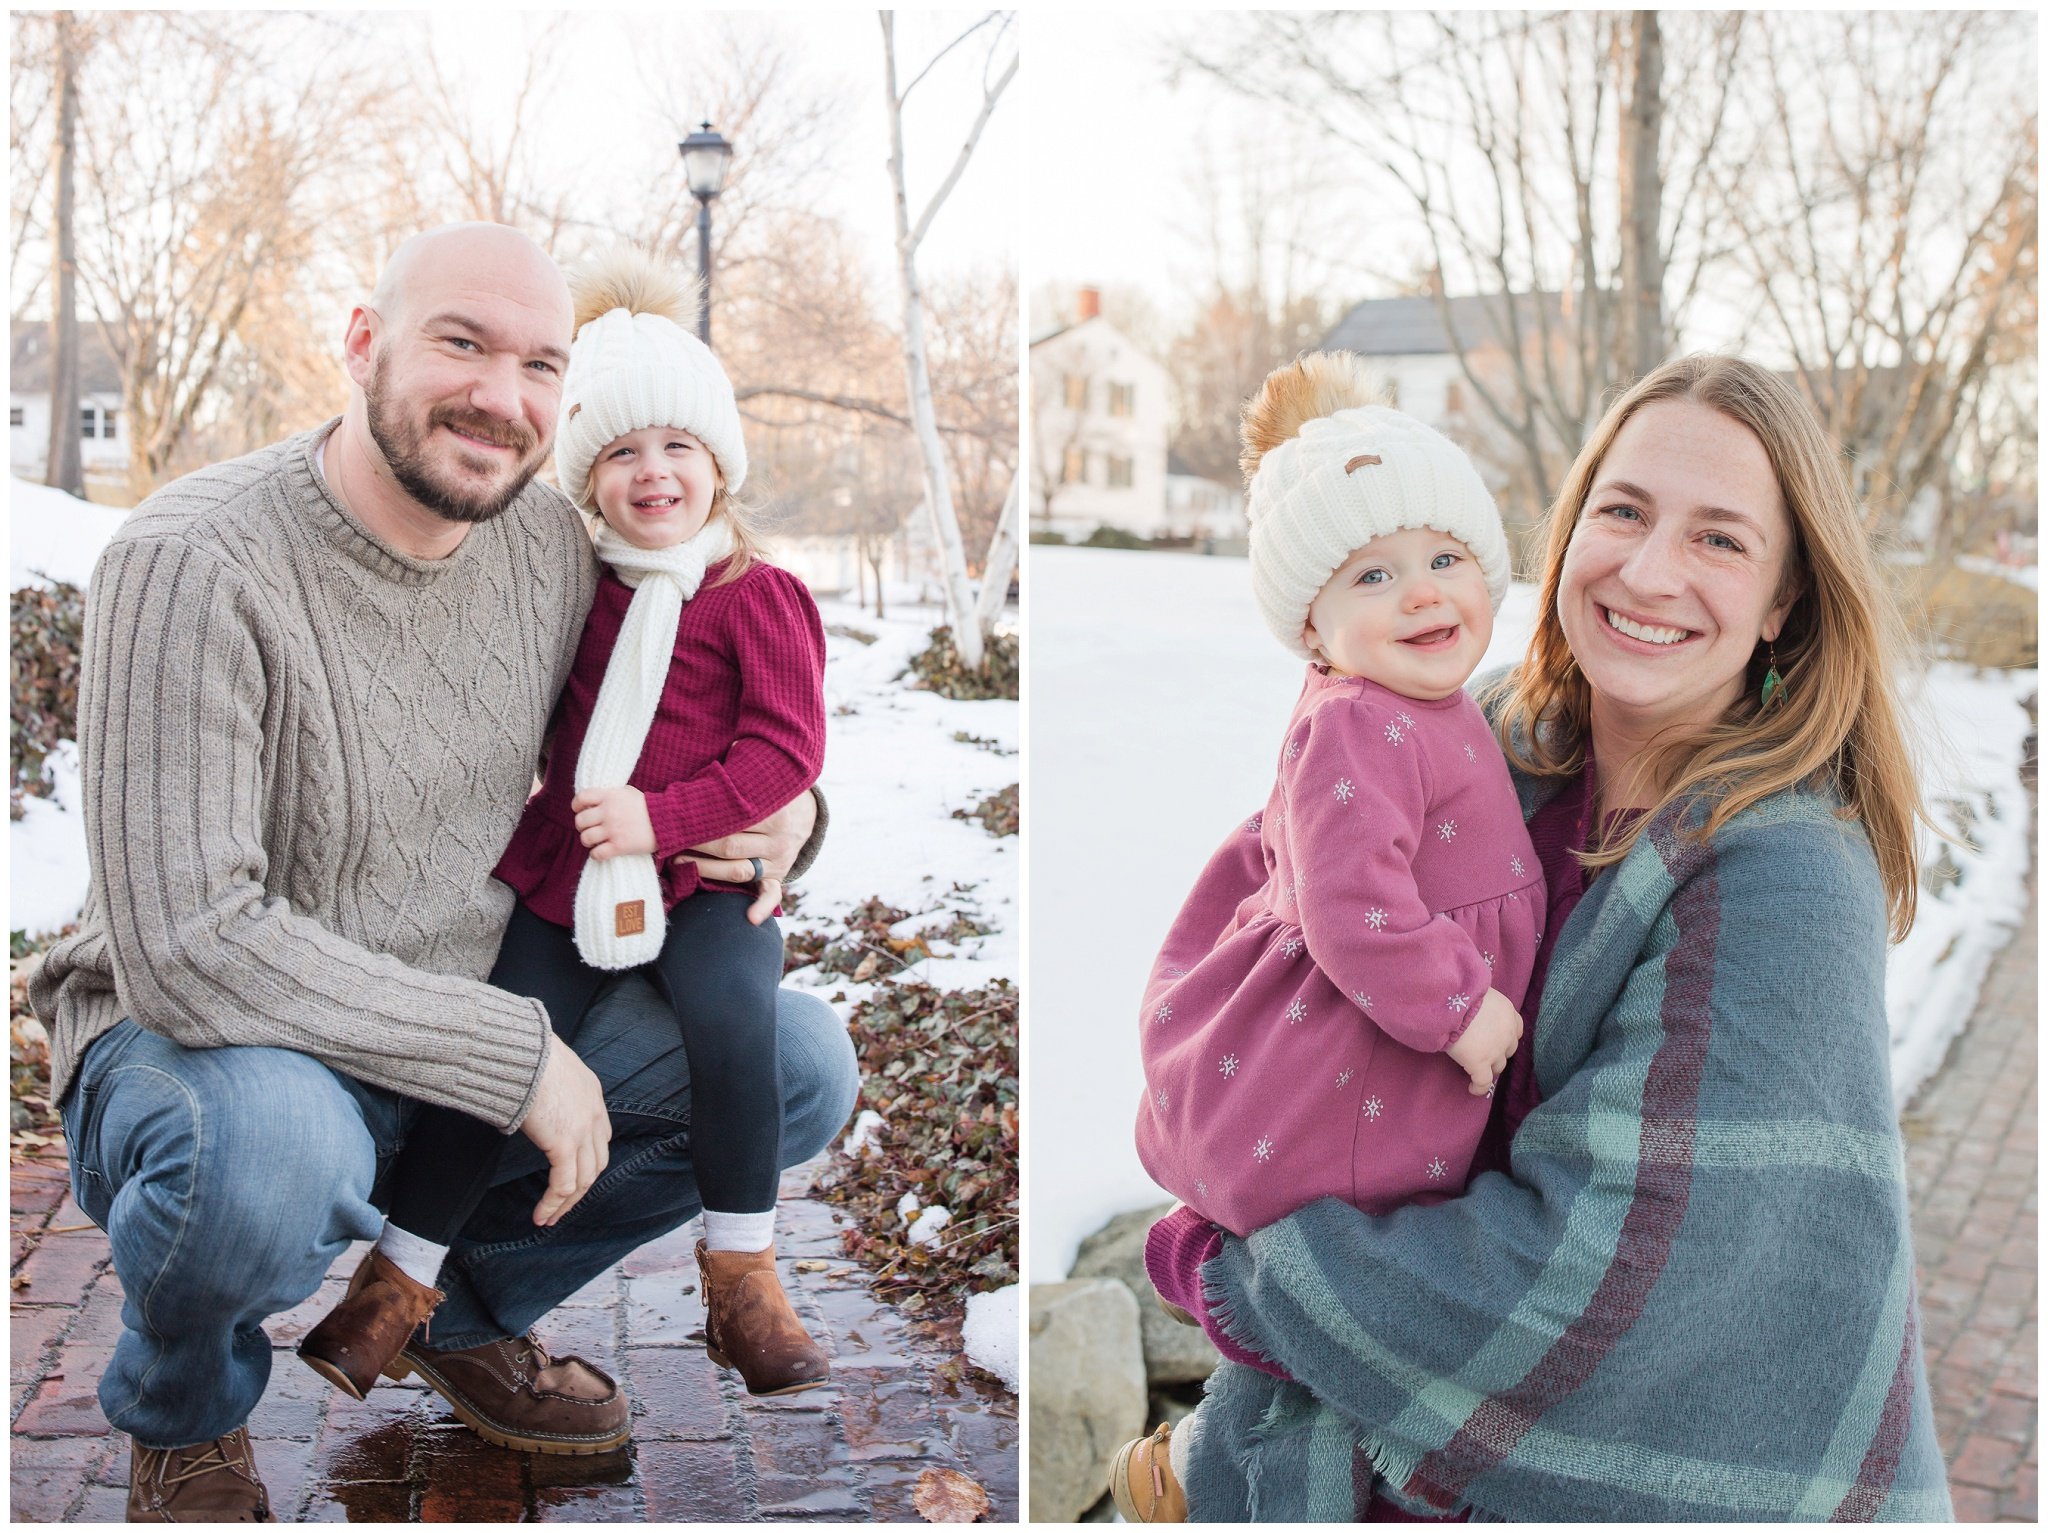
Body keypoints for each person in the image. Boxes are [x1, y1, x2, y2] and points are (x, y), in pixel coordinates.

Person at [28, 223, 858, 1523]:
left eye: (541, 363)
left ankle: (458, 1309)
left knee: (792, 1065)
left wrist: (794, 814)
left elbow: (672, 703)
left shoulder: (542, 548)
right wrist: (508, 1054)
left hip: (458, 987)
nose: (500, 394)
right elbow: (187, 943)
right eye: (459, 343)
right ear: (363, 343)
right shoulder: (191, 561)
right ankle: (188, 1411)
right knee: (265, 1156)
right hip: (206, 1040)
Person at [1124, 356, 1951, 1521]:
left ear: (1782, 602)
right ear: (1564, 533)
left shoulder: (1786, 875)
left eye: (1718, 540)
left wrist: (1239, 1278)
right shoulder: (1481, 737)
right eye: (1621, 512)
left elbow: (1611, 1283)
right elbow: (1266, 945)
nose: (1648, 571)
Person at [300, 246, 833, 1404]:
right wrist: (603, 828)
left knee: (735, 1023)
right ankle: (396, 1286)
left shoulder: (757, 595)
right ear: (584, 476)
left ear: (719, 464)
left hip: (697, 869)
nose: (654, 473)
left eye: (678, 446)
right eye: (623, 452)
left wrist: (668, 817)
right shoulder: (563, 583)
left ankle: (743, 1275)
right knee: (502, 1047)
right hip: (563, 867)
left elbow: (786, 750)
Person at [1130, 354, 1542, 1249]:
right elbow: (1354, 904)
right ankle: (1300, 1271)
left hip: (1409, 1033)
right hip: (1367, 1035)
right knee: (1349, 1211)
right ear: (1313, 626)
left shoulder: (1426, 700)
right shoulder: (1357, 721)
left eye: (1444, 556)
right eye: (1373, 576)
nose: (1423, 590)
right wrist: (1460, 1007)